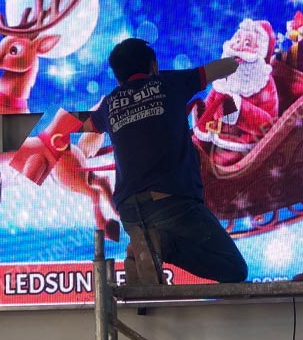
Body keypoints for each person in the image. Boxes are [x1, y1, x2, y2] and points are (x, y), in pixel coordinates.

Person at [79, 38, 249, 285]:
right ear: (154, 65)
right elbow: (222, 68)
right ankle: (162, 245)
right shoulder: (169, 84)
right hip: (171, 203)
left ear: (117, 77)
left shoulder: (110, 104)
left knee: (147, 293)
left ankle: (140, 252)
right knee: (234, 268)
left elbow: (80, 124)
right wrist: (239, 59)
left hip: (129, 211)